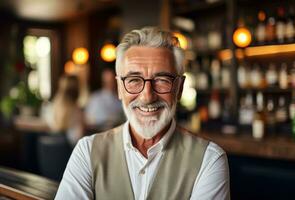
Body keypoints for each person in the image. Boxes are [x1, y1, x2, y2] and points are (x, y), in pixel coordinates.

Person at [55, 27, 230, 199]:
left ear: (179, 88)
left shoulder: (209, 160)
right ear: (119, 88)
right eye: (133, 80)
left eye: (162, 80)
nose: (147, 96)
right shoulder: (87, 151)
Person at [44, 74, 85, 147]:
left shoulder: (56, 103)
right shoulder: (72, 108)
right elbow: (78, 136)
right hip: (67, 150)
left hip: (54, 149)